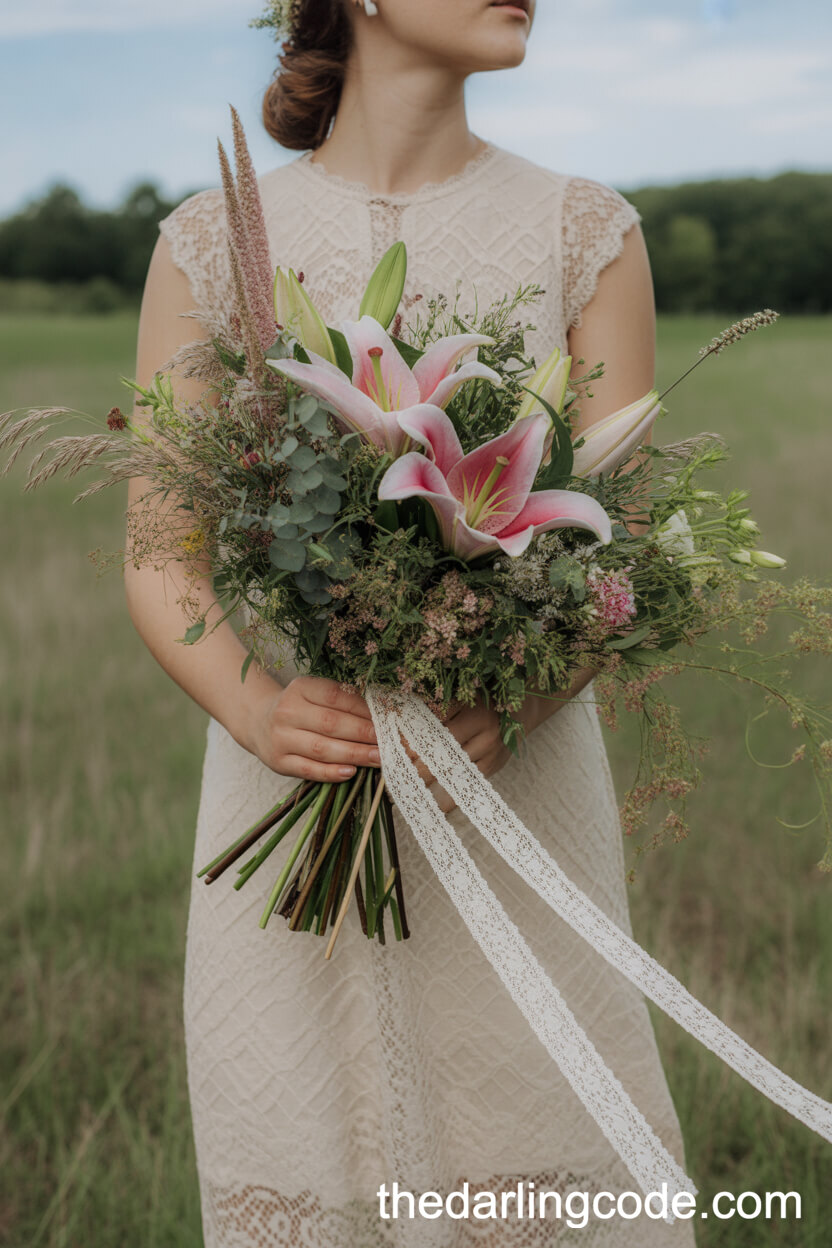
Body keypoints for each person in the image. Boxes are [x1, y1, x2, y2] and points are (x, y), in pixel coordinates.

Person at [125, 0, 696, 1243]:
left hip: (517, 794)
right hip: (291, 786)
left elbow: (626, 555)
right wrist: (263, 706)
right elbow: (158, 556)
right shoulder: (213, 244)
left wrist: (512, 701)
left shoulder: (582, 232)